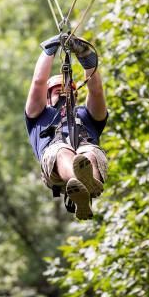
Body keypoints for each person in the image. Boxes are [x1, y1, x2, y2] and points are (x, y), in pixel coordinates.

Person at [24, 34, 108, 220]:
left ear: (76, 94)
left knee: (88, 154)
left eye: (67, 90)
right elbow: (38, 82)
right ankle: (80, 182)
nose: (63, 93)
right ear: (47, 97)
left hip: (88, 158)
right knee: (62, 151)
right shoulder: (39, 115)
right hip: (55, 165)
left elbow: (96, 90)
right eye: (56, 91)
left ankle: (87, 186)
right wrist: (50, 48)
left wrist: (87, 57)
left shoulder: (87, 115)